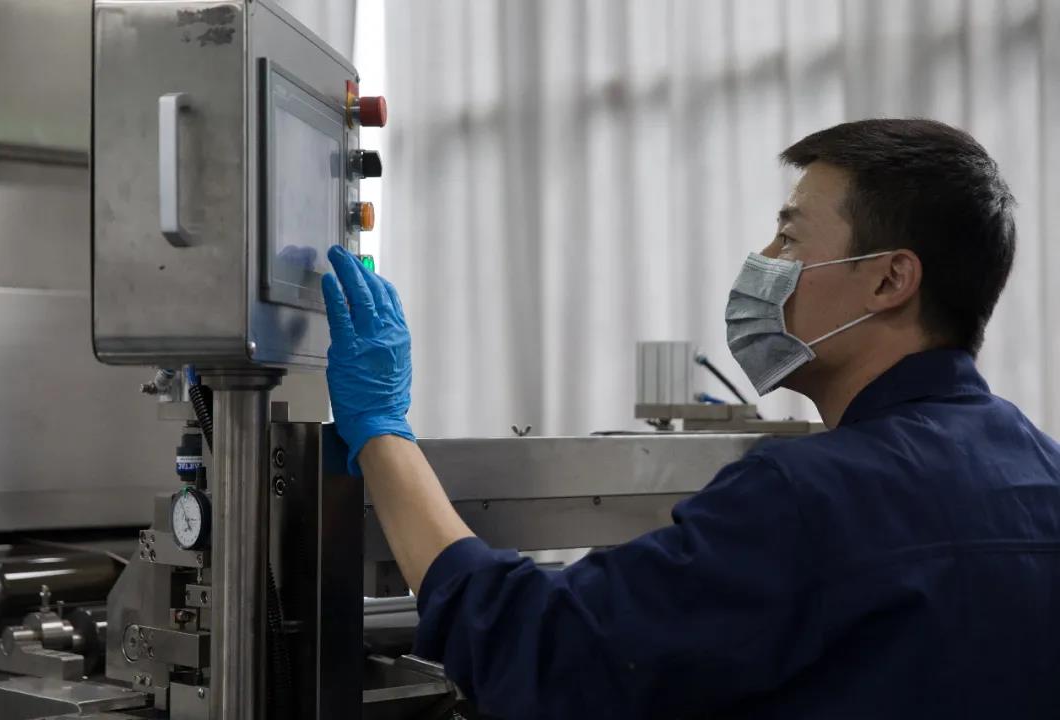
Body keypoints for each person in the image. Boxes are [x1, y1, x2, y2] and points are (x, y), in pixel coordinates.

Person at [320, 118, 1060, 719]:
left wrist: (382, 429)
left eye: (789, 238)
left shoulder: (810, 496)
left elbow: (538, 650)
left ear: (890, 279)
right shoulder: (1043, 470)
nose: (762, 261)